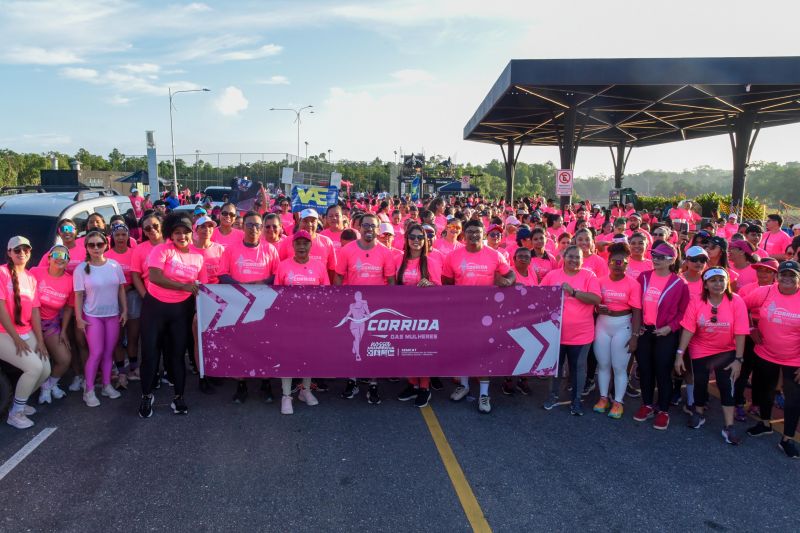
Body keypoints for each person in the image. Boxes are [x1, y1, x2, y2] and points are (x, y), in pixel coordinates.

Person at [138, 214, 207, 418]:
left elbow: (202, 287)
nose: (182, 236)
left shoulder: (198, 256)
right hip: (155, 308)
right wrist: (183, 286)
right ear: (171, 234)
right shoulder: (162, 250)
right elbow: (155, 277)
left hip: (181, 311)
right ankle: (146, 395)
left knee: (176, 356)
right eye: (177, 232)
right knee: (151, 355)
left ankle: (179, 397)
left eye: (186, 232)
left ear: (191, 233)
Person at [443, 220, 515, 414]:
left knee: (484, 353)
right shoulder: (452, 256)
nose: (474, 235)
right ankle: (464, 385)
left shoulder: (495, 255)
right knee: (464, 350)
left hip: (487, 313)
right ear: (463, 235)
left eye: (477, 231)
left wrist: (508, 281)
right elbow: (447, 282)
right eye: (470, 231)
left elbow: (511, 275)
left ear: (483, 234)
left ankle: (484, 394)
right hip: (462, 313)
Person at [675, 269, 749, 444]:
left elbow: (740, 332)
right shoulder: (697, 301)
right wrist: (680, 354)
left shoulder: (736, 301)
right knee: (700, 382)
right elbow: (689, 329)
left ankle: (729, 426)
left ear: (727, 282)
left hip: (726, 350)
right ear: (706, 284)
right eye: (713, 280)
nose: (718, 284)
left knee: (725, 385)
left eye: (722, 280)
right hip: (701, 348)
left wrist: (739, 359)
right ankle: (699, 414)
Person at [218, 211, 280, 404]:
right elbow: (222, 275)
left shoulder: (270, 250)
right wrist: (241, 287)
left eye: (257, 225)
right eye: (250, 225)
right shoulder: (230, 250)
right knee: (240, 346)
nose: (254, 229)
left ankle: (265, 383)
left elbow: (277, 276)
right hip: (239, 304)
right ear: (242, 226)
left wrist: (260, 282)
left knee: (264, 345)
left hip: (263, 305)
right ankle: (241, 384)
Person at [335, 213, 396, 404]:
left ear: (378, 230)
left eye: (373, 226)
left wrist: (389, 305)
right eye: (365, 225)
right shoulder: (347, 250)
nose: (369, 229)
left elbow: (391, 282)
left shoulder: (386, 252)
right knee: (354, 344)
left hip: (376, 308)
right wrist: (336, 301)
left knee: (373, 346)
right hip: (352, 308)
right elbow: (338, 277)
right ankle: (352, 381)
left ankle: (373, 383)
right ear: (359, 228)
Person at [742, 260, 800, 458]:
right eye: (784, 274)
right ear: (778, 276)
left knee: (793, 400)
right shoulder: (766, 292)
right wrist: (751, 328)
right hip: (765, 353)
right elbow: (740, 305)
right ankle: (765, 424)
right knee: (764, 392)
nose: (787, 278)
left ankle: (787, 439)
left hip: (795, 359)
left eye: (792, 275)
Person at [633, 242, 689, 431]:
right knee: (645, 370)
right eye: (654, 256)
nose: (655, 260)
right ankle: (647, 404)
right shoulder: (644, 277)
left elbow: (683, 313)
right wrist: (638, 325)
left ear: (672, 260)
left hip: (665, 334)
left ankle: (663, 410)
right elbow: (636, 305)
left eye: (661, 257)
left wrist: (670, 328)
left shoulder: (679, 283)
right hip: (646, 332)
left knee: (663, 373)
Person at [541, 245, 602, 415]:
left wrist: (574, 292)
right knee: (556, 368)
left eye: (578, 257)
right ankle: (552, 397)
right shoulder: (552, 275)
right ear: (564, 258)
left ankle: (576, 401)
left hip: (581, 334)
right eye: (571, 256)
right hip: (555, 332)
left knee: (578, 368)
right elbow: (539, 296)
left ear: (583, 260)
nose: (574, 260)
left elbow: (596, 298)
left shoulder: (589, 275)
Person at [273, 230, 328, 414]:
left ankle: (305, 390)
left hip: (311, 320)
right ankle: (286, 395)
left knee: (308, 355)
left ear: (311, 245)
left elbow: (325, 293)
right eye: (298, 243)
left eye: (306, 243)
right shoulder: (283, 266)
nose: (302, 246)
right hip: (289, 320)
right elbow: (277, 293)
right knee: (287, 356)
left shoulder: (319, 266)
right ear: (293, 246)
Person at [0, 236, 51, 429]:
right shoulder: (2, 273)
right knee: (34, 368)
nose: (22, 253)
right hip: (4, 333)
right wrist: (15, 338)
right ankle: (15, 414)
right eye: (17, 250)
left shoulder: (30, 277)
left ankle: (19, 402)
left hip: (26, 331)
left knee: (45, 369)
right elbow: (1, 309)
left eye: (26, 250)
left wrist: (40, 341)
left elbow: (36, 311)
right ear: (9, 253)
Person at [73, 231, 127, 407]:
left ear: (106, 245)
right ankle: (88, 390)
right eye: (91, 245)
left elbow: (121, 289)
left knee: (108, 353)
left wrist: (124, 311)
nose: (96, 248)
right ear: (87, 248)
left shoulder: (114, 265)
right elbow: (79, 296)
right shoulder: (81, 269)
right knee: (95, 353)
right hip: (92, 317)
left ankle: (106, 385)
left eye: (99, 244)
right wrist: (79, 319)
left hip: (113, 315)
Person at [593, 242, 642, 419]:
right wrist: (598, 308)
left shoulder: (633, 284)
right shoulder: (600, 281)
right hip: (603, 325)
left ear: (627, 265)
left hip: (623, 326)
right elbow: (594, 303)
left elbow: (637, 311)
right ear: (608, 263)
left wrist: (635, 336)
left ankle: (618, 402)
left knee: (619, 367)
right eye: (614, 262)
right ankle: (603, 398)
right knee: (604, 365)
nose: (618, 266)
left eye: (622, 263)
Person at [30, 245, 74, 404]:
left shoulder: (70, 281)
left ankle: (48, 386)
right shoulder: (35, 272)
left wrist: (63, 330)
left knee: (64, 359)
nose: (60, 257)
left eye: (64, 255)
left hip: (51, 324)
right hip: (29, 323)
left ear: (68, 260)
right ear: (48, 258)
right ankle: (38, 387)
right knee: (40, 361)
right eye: (56, 254)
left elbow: (69, 307)